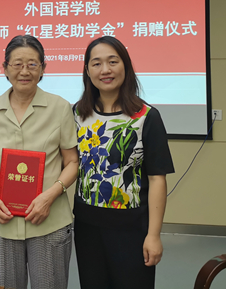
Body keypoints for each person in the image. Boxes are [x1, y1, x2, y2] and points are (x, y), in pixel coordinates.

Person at [0, 35, 79, 289]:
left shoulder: (60, 108)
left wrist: (49, 197)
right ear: (4, 68)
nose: (24, 71)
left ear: (43, 68)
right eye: (17, 64)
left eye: (32, 64)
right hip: (3, 222)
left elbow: (72, 161)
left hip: (50, 221)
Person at [73, 36, 175, 289]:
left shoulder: (146, 117)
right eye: (96, 63)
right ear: (87, 70)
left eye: (113, 61)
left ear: (126, 66)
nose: (105, 70)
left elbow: (157, 178)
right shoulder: (77, 114)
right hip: (87, 227)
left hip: (132, 228)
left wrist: (153, 235)